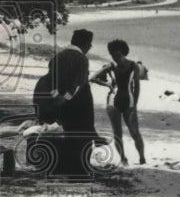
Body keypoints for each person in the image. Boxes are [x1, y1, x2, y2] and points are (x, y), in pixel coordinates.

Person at [38, 28, 102, 175]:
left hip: (60, 105)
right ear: (86, 44)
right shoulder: (82, 59)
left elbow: (51, 83)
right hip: (80, 105)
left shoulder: (56, 58)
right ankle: (80, 171)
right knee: (82, 137)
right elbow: (78, 85)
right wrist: (66, 98)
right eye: (90, 44)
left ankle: (64, 168)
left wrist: (57, 98)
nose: (89, 47)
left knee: (68, 135)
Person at [90, 39, 146, 165]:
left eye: (118, 56)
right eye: (113, 56)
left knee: (134, 132)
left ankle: (142, 159)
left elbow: (137, 87)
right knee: (117, 134)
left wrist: (135, 106)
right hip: (112, 103)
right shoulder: (110, 66)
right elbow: (93, 78)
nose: (116, 58)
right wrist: (107, 84)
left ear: (124, 53)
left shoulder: (134, 66)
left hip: (129, 102)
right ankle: (123, 159)